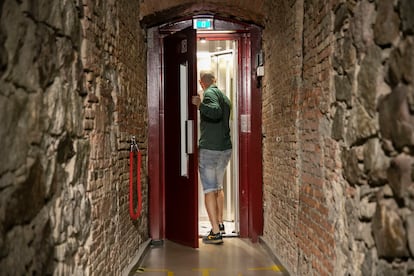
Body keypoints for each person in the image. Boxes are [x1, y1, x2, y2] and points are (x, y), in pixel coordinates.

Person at [192, 71, 232, 244]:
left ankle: (215, 233)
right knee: (218, 186)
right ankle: (220, 223)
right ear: (214, 80)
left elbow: (214, 112)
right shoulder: (223, 96)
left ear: (202, 83)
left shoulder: (208, 93)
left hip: (211, 149)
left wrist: (200, 105)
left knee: (209, 189)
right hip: (224, 149)